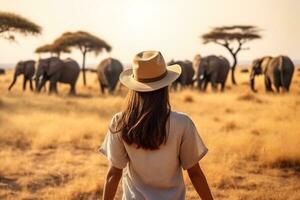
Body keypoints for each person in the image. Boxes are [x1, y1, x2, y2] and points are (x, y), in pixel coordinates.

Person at [99, 51, 213, 200]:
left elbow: (113, 174)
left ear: (134, 88)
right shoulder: (182, 123)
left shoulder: (120, 122)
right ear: (166, 86)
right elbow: (195, 173)